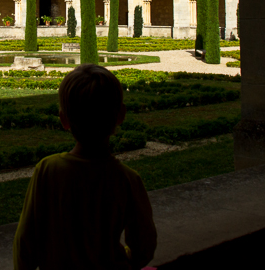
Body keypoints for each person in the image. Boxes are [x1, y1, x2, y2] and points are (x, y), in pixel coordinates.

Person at [13, 63, 157, 270]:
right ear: (120, 116)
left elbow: (25, 243)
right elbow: (144, 248)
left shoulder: (47, 170)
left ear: (64, 120)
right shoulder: (127, 179)